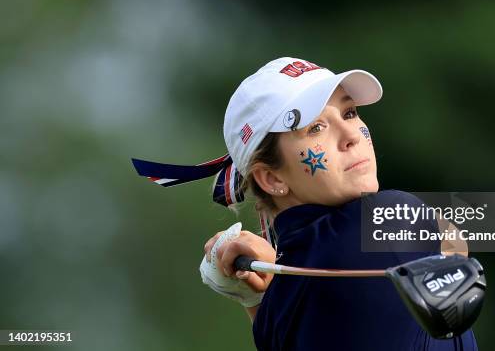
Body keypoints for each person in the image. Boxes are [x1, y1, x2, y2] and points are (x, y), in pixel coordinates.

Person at [136, 57, 477, 350]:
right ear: (272, 179)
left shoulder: (276, 308)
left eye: (350, 112)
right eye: (316, 128)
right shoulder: (387, 219)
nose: (351, 135)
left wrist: (256, 298)